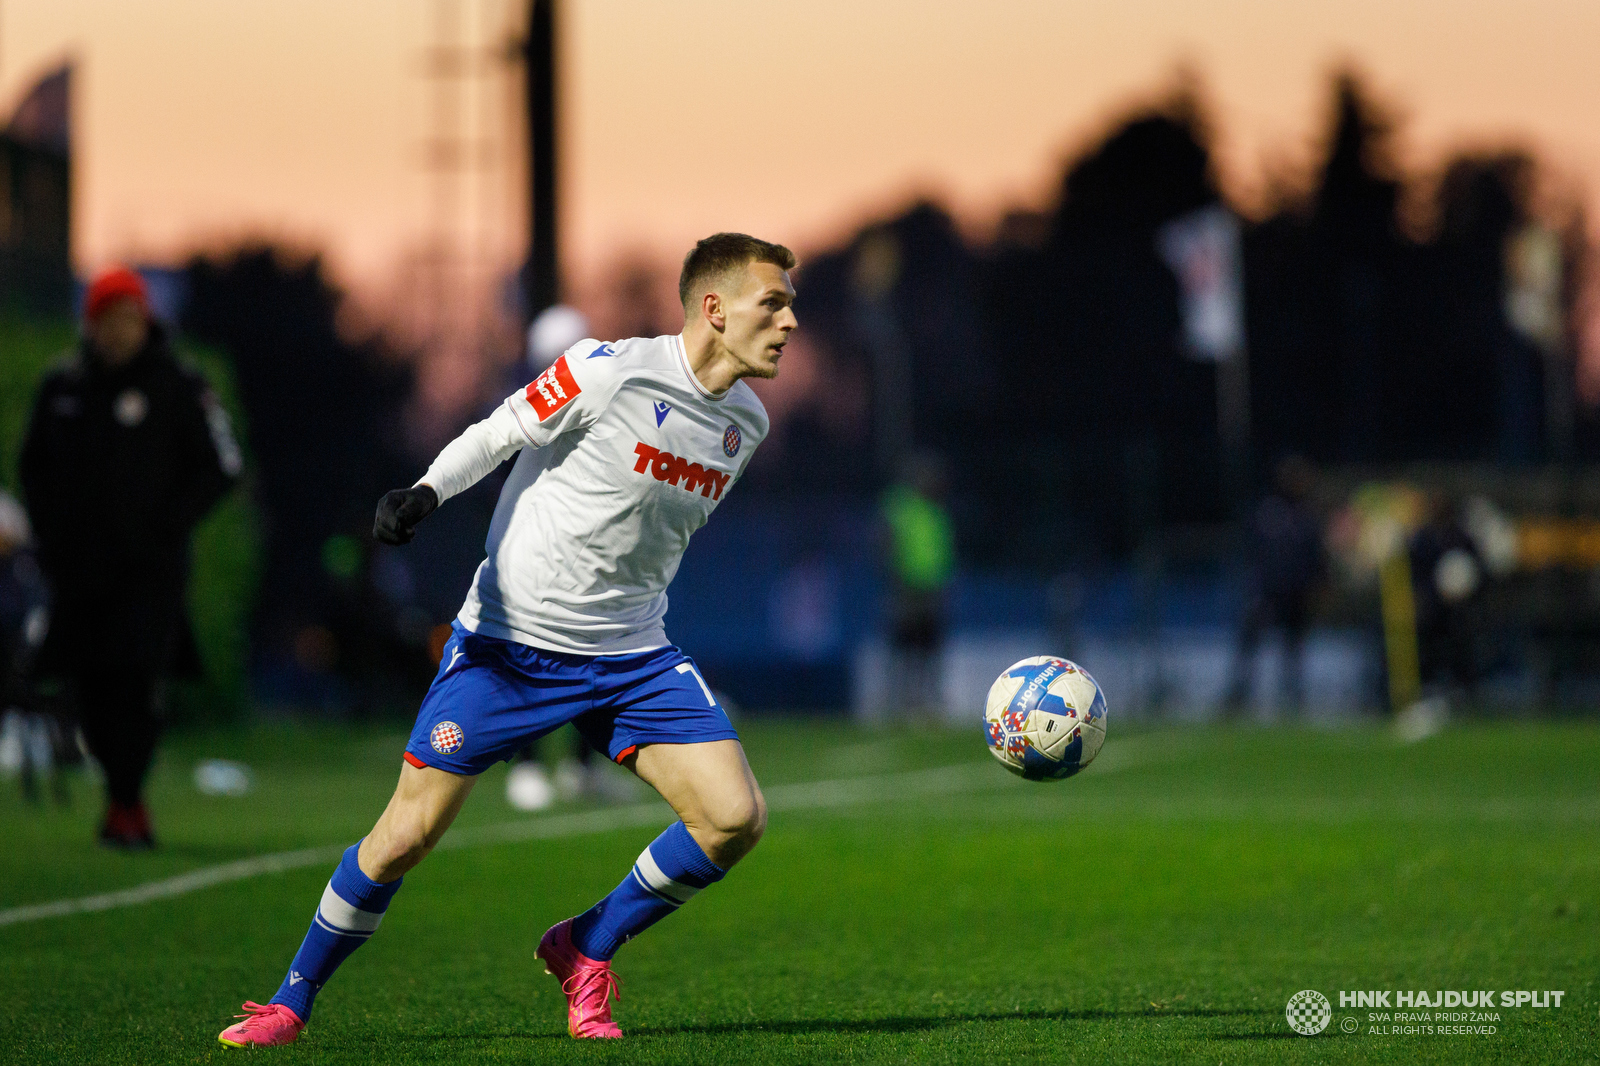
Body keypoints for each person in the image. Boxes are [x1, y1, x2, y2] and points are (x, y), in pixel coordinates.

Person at [218, 233, 796, 1047]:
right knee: (405, 837)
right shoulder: (610, 369)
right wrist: (425, 492)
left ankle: (586, 946)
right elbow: (500, 431)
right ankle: (291, 1000)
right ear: (714, 308)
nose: (788, 321)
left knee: (735, 818)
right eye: (773, 302)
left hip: (630, 655)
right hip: (507, 649)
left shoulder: (748, 420)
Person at [19, 267, 241, 847]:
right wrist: (53, 535)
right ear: (90, 325)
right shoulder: (63, 388)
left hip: (151, 574)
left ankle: (126, 799)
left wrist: (167, 524)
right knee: (92, 686)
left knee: (139, 684)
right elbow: (32, 468)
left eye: (129, 319)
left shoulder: (179, 385)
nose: (119, 332)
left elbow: (222, 466)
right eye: (108, 320)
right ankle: (120, 798)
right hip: (80, 573)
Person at [1224, 456, 1325, 715]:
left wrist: (1317, 585)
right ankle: (1238, 694)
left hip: (1296, 593)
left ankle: (1293, 698)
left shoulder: (1307, 515)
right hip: (1267, 591)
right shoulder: (1267, 512)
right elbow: (1252, 550)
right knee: (1249, 643)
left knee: (1293, 650)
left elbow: (1316, 556)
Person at [880, 453, 954, 717]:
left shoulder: (937, 511)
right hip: (906, 588)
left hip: (932, 589)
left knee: (929, 649)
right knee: (903, 647)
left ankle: (927, 702)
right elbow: (885, 540)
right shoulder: (901, 506)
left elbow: (942, 553)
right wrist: (893, 574)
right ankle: (899, 702)